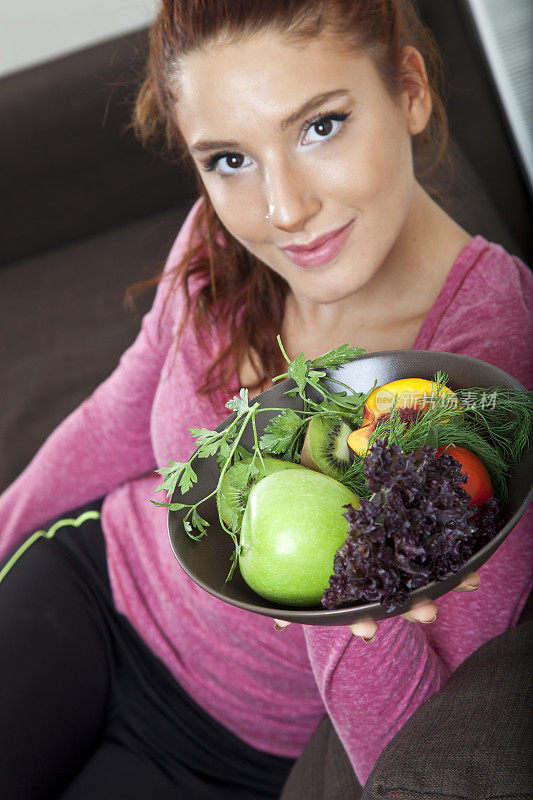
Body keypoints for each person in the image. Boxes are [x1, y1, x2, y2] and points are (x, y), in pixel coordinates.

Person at [1, 1, 532, 798]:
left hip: (230, 755)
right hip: (88, 587)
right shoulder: (224, 237)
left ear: (410, 92)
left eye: (320, 126)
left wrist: (343, 587)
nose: (283, 212)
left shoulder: (485, 377)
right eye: (228, 160)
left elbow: (415, 749)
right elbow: (120, 412)